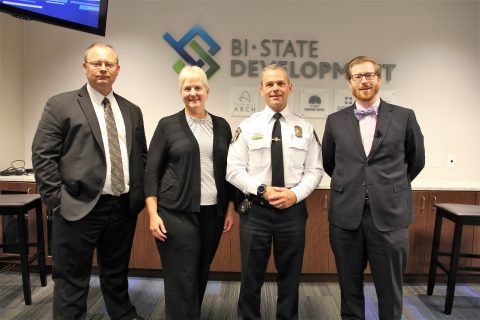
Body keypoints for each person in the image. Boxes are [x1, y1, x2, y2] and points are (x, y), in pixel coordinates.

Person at [32, 42, 147, 320]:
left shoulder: (131, 110)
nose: (103, 68)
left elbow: (140, 157)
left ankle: (123, 315)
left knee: (117, 273)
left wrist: (137, 199)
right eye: (97, 63)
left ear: (118, 70)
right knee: (72, 278)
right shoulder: (61, 104)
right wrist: (57, 203)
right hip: (76, 208)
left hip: (121, 209)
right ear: (85, 67)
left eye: (109, 64)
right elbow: (42, 155)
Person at [321, 55, 425, 320]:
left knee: (390, 289)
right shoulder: (335, 120)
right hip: (346, 217)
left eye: (369, 75)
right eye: (357, 76)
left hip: (390, 217)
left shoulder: (404, 116)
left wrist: (388, 186)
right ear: (349, 83)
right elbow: (330, 163)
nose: (364, 81)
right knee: (349, 288)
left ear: (379, 78)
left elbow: (416, 160)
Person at [226, 64, 323, 320]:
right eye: (269, 84)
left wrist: (295, 194)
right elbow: (233, 171)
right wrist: (261, 191)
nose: (275, 88)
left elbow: (315, 170)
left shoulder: (306, 128)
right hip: (255, 211)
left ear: (290, 87)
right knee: (250, 276)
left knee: (290, 277)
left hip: (292, 212)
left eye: (280, 83)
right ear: (261, 90)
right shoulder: (246, 127)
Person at [144, 65, 235, 320]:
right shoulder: (167, 125)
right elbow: (151, 173)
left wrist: (229, 209)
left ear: (207, 91)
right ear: (181, 92)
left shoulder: (222, 126)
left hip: (213, 215)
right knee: (181, 276)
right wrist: (153, 214)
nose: (192, 93)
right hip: (176, 213)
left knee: (200, 272)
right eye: (187, 88)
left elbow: (230, 171)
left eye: (198, 87)